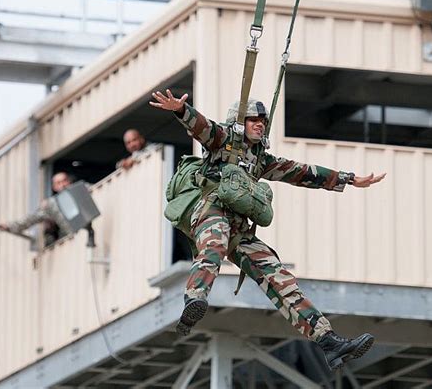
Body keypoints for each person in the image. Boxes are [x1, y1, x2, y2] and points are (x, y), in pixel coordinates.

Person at [149, 89, 386, 371]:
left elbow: (303, 172)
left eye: (263, 120)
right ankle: (195, 298)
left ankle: (329, 342)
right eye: (253, 120)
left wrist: (347, 179)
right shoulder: (222, 142)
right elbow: (203, 127)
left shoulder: (262, 161)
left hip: (239, 230)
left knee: (280, 278)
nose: (260, 124)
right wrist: (180, 110)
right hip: (210, 213)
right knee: (215, 244)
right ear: (239, 123)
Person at [0, 172, 73, 246]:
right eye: (58, 183)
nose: (63, 185)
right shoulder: (51, 205)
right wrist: (10, 226)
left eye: (64, 180)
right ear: (54, 187)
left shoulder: (82, 191)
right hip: (73, 239)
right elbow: (31, 218)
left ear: (69, 181)